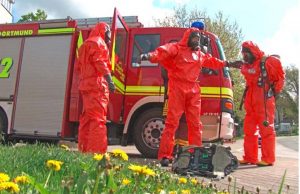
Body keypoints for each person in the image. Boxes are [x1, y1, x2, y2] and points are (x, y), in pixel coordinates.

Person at [140, 27, 227, 166]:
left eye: (198, 38)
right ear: (188, 38)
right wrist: (151, 56)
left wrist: (227, 63)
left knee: (195, 124)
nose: (197, 40)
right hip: (177, 88)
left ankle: (196, 155)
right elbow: (164, 51)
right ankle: (165, 156)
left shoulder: (199, 54)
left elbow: (212, 61)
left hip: (193, 90)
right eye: (195, 38)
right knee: (171, 123)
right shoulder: (177, 49)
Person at [227, 41, 285, 166]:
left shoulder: (267, 62)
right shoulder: (248, 66)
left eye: (246, 53)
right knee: (249, 130)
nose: (244, 56)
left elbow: (279, 78)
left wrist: (273, 93)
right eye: (243, 53)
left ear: (252, 52)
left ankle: (268, 159)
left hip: (264, 101)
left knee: (266, 130)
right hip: (251, 101)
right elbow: (245, 71)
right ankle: (250, 157)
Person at [76, 22, 115, 153]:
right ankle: (96, 154)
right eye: (108, 34)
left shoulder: (84, 45)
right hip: (97, 86)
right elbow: (100, 62)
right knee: (98, 121)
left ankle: (84, 150)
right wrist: (109, 80)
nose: (109, 38)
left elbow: (79, 67)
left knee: (86, 120)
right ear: (104, 31)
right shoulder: (99, 42)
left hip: (86, 86)